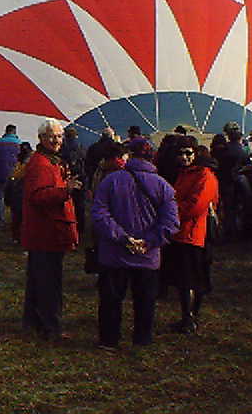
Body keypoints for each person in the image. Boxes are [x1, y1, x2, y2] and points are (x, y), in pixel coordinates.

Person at [91, 137, 179, 350]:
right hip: (147, 256)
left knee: (112, 300)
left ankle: (109, 340)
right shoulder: (163, 186)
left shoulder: (110, 181)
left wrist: (122, 237)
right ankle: (142, 338)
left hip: (114, 253)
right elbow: (171, 222)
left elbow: (99, 213)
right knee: (145, 300)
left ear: (129, 155)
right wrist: (149, 242)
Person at [20, 119, 81, 343]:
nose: (56, 141)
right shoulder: (41, 164)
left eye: (59, 137)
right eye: (52, 137)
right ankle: (50, 326)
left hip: (45, 231)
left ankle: (34, 322)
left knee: (38, 280)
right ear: (41, 139)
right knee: (49, 283)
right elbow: (38, 196)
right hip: (46, 232)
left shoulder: (49, 161)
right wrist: (66, 191)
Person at [162, 136, 219, 334]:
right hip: (182, 233)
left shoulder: (205, 175)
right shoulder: (184, 174)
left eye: (188, 153)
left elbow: (196, 205)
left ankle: (190, 318)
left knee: (191, 278)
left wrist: (171, 213)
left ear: (196, 154)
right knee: (184, 278)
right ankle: (188, 316)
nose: (184, 157)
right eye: (180, 153)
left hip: (195, 234)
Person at [0, 124, 21, 229]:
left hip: (1, 174)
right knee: (15, 198)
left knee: (0, 197)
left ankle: (1, 220)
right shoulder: (19, 144)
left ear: (6, 131)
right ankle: (14, 220)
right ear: (14, 132)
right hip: (15, 175)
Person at [60, 126, 87, 240]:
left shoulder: (62, 148)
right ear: (76, 135)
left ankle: (67, 227)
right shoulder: (81, 147)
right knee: (79, 204)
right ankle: (80, 227)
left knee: (65, 204)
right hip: (79, 178)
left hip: (65, 178)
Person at [6, 142, 33, 244]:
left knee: (17, 217)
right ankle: (20, 237)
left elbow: (13, 176)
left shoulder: (19, 162)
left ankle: (17, 237)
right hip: (23, 192)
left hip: (18, 191)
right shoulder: (32, 162)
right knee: (22, 217)